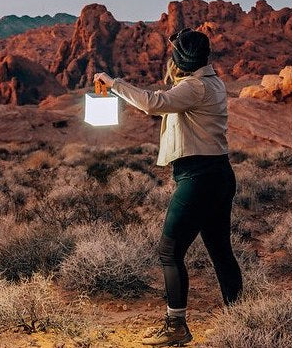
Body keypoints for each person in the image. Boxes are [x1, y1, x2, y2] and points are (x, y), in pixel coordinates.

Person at [93, 27, 243, 347]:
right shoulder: (210, 82)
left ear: (180, 59)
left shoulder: (196, 87)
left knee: (169, 251)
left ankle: (176, 326)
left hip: (198, 177)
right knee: (220, 251)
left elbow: (153, 103)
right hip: (217, 174)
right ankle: (243, 320)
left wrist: (113, 83)